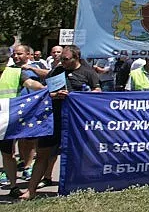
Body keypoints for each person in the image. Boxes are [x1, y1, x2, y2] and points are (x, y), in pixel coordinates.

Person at [22, 45, 100, 200]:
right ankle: (31, 190)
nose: (62, 61)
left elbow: (97, 92)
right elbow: (46, 91)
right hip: (54, 119)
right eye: (60, 58)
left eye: (65, 59)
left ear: (76, 57)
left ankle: (77, 188)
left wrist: (81, 96)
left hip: (75, 122)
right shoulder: (57, 71)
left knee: (77, 156)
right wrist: (55, 94)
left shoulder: (88, 73)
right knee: (43, 154)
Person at [0, 51, 44, 197]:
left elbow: (30, 83)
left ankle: (13, 186)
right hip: (6, 118)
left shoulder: (15, 73)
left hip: (7, 119)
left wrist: (44, 89)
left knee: (7, 153)